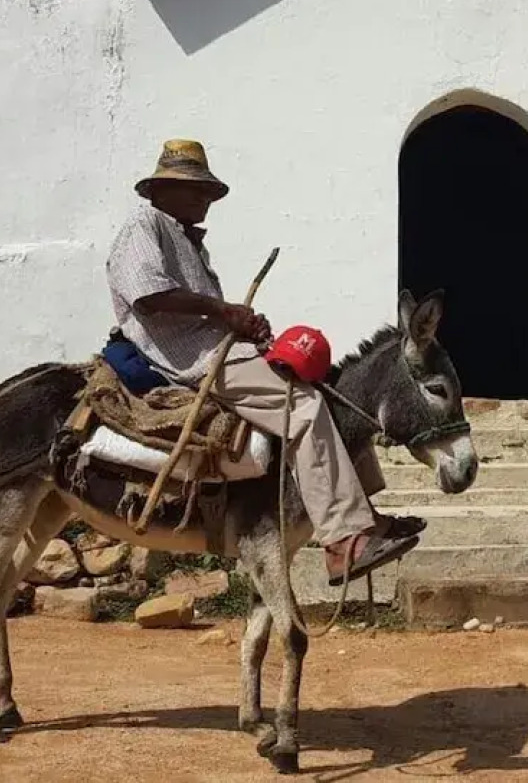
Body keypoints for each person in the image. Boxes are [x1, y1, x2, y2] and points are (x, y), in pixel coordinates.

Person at [103, 139, 421, 585]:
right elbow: (149, 298)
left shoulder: (187, 241)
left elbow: (200, 310)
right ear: (160, 189)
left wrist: (243, 324)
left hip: (222, 347)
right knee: (305, 412)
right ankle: (343, 544)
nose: (204, 199)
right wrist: (224, 312)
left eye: (208, 192)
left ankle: (365, 517)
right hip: (195, 360)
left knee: (333, 398)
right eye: (194, 189)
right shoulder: (145, 224)